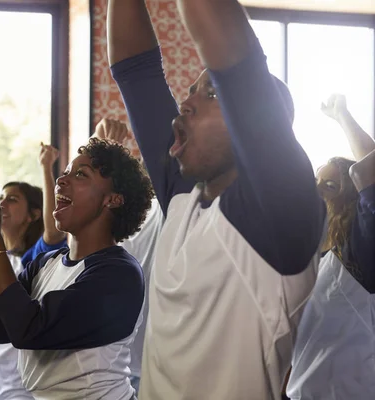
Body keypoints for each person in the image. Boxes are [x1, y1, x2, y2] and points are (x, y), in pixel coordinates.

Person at [108, 1, 325, 399]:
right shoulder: (183, 198)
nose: (186, 102)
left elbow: (228, 50)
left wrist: (233, 80)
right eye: (192, 91)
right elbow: (134, 69)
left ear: (255, 125)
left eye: (212, 93)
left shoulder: (278, 216)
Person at [0, 138, 153, 399]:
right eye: (65, 173)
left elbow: (28, 329)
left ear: (113, 200)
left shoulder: (120, 274)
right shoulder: (45, 264)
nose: (62, 181)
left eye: (81, 174)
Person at [0, 144, 67, 400]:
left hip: (12, 391)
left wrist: (46, 167)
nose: (2, 204)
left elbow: (53, 233)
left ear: (33, 215)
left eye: (12, 199)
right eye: (0, 199)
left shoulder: (34, 260)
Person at [286, 95, 375, 399]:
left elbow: (368, 171)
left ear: (352, 202)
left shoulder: (359, 253)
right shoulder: (311, 258)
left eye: (330, 186)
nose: (316, 191)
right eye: (316, 181)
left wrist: (342, 115)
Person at [93, 118, 164, 395]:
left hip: (151, 370)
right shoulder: (124, 213)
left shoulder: (173, 208)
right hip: (112, 369)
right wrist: (101, 150)